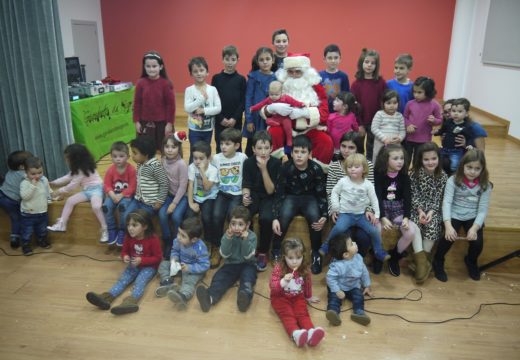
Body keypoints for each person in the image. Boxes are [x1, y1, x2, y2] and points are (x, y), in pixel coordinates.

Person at [261, 54, 333, 166]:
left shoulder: (316, 87)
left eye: (298, 71)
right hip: (285, 127)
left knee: (325, 142)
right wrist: (270, 109)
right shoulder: (280, 85)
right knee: (273, 133)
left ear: (305, 72)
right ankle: (275, 167)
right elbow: (265, 107)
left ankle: (318, 171)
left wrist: (305, 113)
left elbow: (324, 113)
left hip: (309, 129)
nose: (294, 75)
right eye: (290, 71)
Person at [86, 209, 162, 315]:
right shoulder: (128, 237)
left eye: (134, 225)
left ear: (145, 226)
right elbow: (124, 252)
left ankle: (130, 302)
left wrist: (142, 260)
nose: (130, 228)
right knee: (122, 280)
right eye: (128, 225)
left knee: (140, 282)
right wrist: (125, 256)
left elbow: (158, 258)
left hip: (149, 267)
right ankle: (106, 298)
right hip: (133, 264)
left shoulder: (153, 239)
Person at [433, 149, 492, 282]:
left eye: (477, 168)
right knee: (448, 238)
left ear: (482, 169)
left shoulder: (485, 185)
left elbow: (483, 210)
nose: (472, 171)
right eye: (469, 167)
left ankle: (471, 261)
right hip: (454, 213)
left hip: (472, 215)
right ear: (462, 166)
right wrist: (448, 225)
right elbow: (447, 203)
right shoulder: (452, 180)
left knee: (477, 243)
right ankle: (438, 260)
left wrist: (475, 228)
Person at [272, 135, 328, 274]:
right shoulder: (285, 168)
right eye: (296, 152)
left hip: (310, 198)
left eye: (303, 152)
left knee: (316, 220)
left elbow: (321, 194)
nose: (299, 156)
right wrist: (275, 216)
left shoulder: (316, 169)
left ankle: (316, 253)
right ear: (291, 153)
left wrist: (325, 215)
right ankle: (276, 249)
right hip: (290, 197)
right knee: (283, 217)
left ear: (310, 154)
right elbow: (279, 193)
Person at [320, 153, 389, 263]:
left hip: (361, 216)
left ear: (364, 169)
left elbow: (374, 200)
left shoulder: (368, 184)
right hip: (346, 214)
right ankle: (325, 246)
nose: (352, 169)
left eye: (356, 167)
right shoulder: (343, 181)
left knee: (374, 231)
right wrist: (335, 207)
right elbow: (334, 192)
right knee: (338, 228)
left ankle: (378, 251)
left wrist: (376, 215)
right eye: (350, 167)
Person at [326, 131, 379, 271]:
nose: (346, 150)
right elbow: (331, 191)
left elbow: (370, 192)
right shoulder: (334, 165)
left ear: (358, 149)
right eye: (343, 146)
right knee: (344, 236)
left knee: (364, 237)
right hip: (343, 211)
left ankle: (356, 262)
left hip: (361, 211)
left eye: (351, 147)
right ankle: (339, 262)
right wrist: (333, 209)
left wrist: (369, 210)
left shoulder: (367, 165)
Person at [196, 206, 257, 313]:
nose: (236, 228)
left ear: (247, 225)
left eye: (240, 224)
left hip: (248, 264)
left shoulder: (252, 237)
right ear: (229, 224)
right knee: (220, 278)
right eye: (233, 224)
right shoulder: (227, 236)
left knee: (248, 279)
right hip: (231, 264)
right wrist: (228, 239)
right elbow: (224, 254)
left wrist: (245, 240)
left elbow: (248, 256)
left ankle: (245, 298)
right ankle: (209, 298)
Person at [374, 144, 423, 277]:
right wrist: (382, 217)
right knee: (376, 229)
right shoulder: (378, 175)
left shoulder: (404, 177)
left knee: (411, 231)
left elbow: (408, 199)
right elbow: (377, 197)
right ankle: (378, 255)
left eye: (401, 158)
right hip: (381, 208)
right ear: (385, 160)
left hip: (397, 209)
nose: (400, 161)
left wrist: (406, 218)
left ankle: (394, 256)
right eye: (395, 158)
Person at [270, 237, 325, 347]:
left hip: (298, 297)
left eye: (298, 257)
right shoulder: (279, 268)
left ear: (303, 256)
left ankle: (311, 333)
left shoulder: (304, 269)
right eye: (290, 258)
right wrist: (283, 281)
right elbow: (272, 286)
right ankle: (296, 334)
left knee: (303, 314)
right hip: (280, 298)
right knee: (288, 315)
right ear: (284, 257)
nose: (295, 261)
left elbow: (307, 284)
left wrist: (308, 297)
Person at [47, 144, 108, 243]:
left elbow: (73, 185)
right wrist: (53, 182)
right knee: (70, 201)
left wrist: (58, 191)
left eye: (68, 158)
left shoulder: (82, 170)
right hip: (87, 191)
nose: (66, 160)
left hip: (97, 190)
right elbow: (67, 177)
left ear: (76, 159)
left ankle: (105, 229)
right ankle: (62, 224)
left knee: (96, 206)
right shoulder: (78, 168)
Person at [242, 131, 281, 271]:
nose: (263, 152)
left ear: (271, 148)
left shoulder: (276, 163)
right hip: (254, 194)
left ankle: (263, 251)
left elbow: (271, 190)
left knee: (266, 218)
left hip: (269, 196)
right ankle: (250, 248)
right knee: (246, 215)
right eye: (259, 148)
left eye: (266, 148)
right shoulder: (248, 162)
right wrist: (245, 196)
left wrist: (264, 169)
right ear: (253, 149)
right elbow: (246, 184)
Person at [410, 142, 448, 283]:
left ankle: (421, 263)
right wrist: (420, 211)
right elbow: (413, 195)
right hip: (416, 208)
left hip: (434, 209)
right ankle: (422, 263)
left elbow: (439, 197)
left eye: (434, 158)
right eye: (426, 159)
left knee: (433, 226)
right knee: (415, 226)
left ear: (439, 158)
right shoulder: (414, 174)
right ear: (420, 160)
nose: (430, 162)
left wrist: (431, 212)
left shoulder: (443, 176)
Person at [210, 128, 248, 268]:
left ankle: (233, 247)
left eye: (227, 144)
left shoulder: (242, 157)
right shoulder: (216, 158)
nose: (223, 147)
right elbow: (213, 178)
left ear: (237, 145)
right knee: (216, 216)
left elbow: (246, 178)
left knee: (232, 217)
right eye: (221, 144)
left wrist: (245, 193)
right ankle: (216, 247)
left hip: (237, 194)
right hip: (222, 193)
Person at [155, 217, 209, 310]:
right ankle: (167, 282)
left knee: (188, 281)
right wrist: (174, 260)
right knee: (164, 264)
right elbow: (175, 251)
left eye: (183, 235)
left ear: (194, 240)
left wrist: (189, 268)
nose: (179, 237)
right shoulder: (178, 240)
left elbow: (205, 265)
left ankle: (183, 296)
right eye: (178, 232)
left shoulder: (200, 248)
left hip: (194, 270)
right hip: (181, 265)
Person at [326, 233, 372, 326]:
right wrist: (337, 290)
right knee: (334, 298)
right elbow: (330, 278)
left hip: (353, 286)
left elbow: (364, 272)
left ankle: (359, 313)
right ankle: (333, 313)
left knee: (359, 296)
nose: (354, 243)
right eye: (351, 244)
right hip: (339, 287)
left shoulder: (358, 258)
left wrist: (367, 285)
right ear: (346, 254)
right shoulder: (337, 265)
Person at [133, 51, 175, 150]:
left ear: (161, 67)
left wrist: (169, 123)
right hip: (145, 123)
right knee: (145, 150)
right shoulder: (140, 83)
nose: (151, 69)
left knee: (165, 149)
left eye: (154, 66)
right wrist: (137, 121)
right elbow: (137, 103)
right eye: (148, 66)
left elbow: (171, 106)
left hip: (162, 124)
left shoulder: (166, 84)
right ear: (144, 67)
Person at [185, 141, 219, 265]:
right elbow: (190, 185)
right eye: (195, 158)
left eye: (201, 158)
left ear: (209, 158)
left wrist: (203, 171)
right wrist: (190, 203)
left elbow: (207, 187)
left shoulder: (213, 170)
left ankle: (208, 241)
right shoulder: (191, 167)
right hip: (196, 198)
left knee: (206, 217)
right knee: (189, 216)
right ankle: (191, 242)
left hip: (209, 197)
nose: (197, 161)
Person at [351, 48, 387, 161]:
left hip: (375, 123)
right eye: (367, 62)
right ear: (361, 63)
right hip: (360, 122)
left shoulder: (381, 83)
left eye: (373, 63)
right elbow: (353, 106)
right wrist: (359, 124)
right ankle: (358, 170)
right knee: (359, 149)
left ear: (376, 66)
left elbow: (384, 102)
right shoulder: (356, 84)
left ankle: (369, 171)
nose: (369, 65)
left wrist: (380, 122)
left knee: (371, 150)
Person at [250, 80, 306, 153]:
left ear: (281, 93)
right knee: (268, 120)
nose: (273, 97)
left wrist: (301, 104)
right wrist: (253, 108)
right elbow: (261, 104)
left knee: (288, 126)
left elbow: (294, 102)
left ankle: (289, 140)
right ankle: (274, 123)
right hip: (275, 118)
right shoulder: (269, 99)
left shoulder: (286, 98)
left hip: (284, 118)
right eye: (271, 94)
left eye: (276, 95)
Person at [158, 132, 189, 257]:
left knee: (176, 216)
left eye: (173, 147)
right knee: (162, 214)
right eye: (167, 147)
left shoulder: (181, 164)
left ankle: (178, 242)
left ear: (179, 148)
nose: (170, 150)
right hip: (168, 195)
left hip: (181, 197)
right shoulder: (163, 160)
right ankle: (167, 241)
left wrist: (174, 203)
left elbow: (183, 187)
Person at [211, 45, 246, 153]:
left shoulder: (241, 79)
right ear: (222, 59)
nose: (230, 62)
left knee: (236, 146)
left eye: (233, 59)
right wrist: (221, 118)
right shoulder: (216, 78)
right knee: (221, 147)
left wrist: (234, 118)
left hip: (236, 121)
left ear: (237, 60)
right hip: (220, 120)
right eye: (227, 59)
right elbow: (213, 100)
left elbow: (243, 101)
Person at [184, 56, 222, 157]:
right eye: (195, 71)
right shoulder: (189, 90)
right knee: (194, 153)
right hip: (194, 130)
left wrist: (204, 110)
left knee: (205, 153)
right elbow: (187, 108)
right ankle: (192, 172)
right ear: (191, 74)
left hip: (208, 129)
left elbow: (218, 108)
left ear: (207, 72)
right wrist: (201, 99)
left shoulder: (212, 89)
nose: (199, 73)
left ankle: (205, 172)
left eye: (201, 70)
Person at [243, 47, 277, 156]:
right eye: (262, 60)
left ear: (273, 60)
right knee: (252, 145)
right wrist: (249, 120)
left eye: (268, 59)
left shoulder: (277, 78)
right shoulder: (253, 77)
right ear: (257, 62)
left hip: (270, 117)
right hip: (255, 117)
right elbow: (248, 98)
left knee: (269, 143)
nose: (265, 62)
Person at [102, 141, 136, 247]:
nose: (118, 159)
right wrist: (112, 194)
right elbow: (107, 185)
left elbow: (132, 186)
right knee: (106, 207)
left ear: (128, 156)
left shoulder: (131, 170)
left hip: (125, 196)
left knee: (122, 207)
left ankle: (122, 230)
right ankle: (111, 229)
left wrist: (121, 195)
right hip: (113, 195)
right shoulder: (110, 170)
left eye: (121, 156)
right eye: (115, 156)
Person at [125, 137, 169, 216]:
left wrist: (159, 202)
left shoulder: (155, 166)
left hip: (150, 205)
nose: (132, 155)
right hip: (138, 200)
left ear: (146, 155)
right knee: (126, 216)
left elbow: (164, 184)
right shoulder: (140, 163)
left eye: (135, 153)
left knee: (138, 219)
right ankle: (121, 229)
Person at [403, 76, 442, 163]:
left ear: (428, 92)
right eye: (414, 92)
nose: (416, 95)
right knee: (406, 159)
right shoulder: (410, 104)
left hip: (424, 140)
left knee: (418, 161)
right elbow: (404, 117)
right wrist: (408, 125)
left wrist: (434, 120)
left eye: (419, 92)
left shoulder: (434, 105)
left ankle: (416, 175)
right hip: (409, 138)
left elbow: (439, 120)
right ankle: (405, 175)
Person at [0, 150, 32, 248]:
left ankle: (15, 237)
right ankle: (17, 238)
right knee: (17, 218)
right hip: (12, 200)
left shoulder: (10, 172)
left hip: (1, 195)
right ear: (22, 167)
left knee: (15, 217)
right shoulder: (24, 175)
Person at [19, 156, 51, 255]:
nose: (37, 176)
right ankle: (26, 245)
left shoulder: (43, 179)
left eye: (40, 172)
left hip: (42, 211)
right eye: (33, 174)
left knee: (42, 229)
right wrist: (33, 185)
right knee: (27, 231)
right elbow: (25, 197)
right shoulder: (25, 183)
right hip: (29, 213)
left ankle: (41, 241)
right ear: (26, 173)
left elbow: (47, 190)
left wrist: (52, 195)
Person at [435, 98, 475, 174]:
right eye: (453, 111)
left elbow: (470, 137)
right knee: (438, 160)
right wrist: (436, 132)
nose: (456, 113)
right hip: (445, 149)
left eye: (459, 111)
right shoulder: (448, 122)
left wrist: (468, 144)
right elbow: (442, 130)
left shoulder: (467, 126)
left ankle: (453, 177)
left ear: (466, 113)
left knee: (454, 165)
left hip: (457, 151)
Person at [371, 89, 406, 162]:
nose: (392, 105)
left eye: (395, 103)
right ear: (383, 103)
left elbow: (402, 131)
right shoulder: (379, 114)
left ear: (398, 103)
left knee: (393, 162)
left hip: (395, 145)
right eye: (388, 103)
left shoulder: (400, 116)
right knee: (379, 161)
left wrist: (400, 138)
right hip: (380, 145)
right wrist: (384, 139)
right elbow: (374, 128)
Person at [326, 91, 359, 157]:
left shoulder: (351, 116)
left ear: (345, 106)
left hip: (347, 147)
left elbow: (356, 128)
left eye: (337, 100)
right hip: (334, 148)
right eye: (335, 99)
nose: (334, 102)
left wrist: (353, 134)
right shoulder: (331, 117)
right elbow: (328, 131)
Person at [319, 44, 350, 113]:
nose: (333, 61)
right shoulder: (319, 76)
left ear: (340, 59)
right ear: (324, 59)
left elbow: (346, 97)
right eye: (330, 58)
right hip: (323, 112)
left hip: (339, 114)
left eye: (336, 58)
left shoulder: (344, 76)